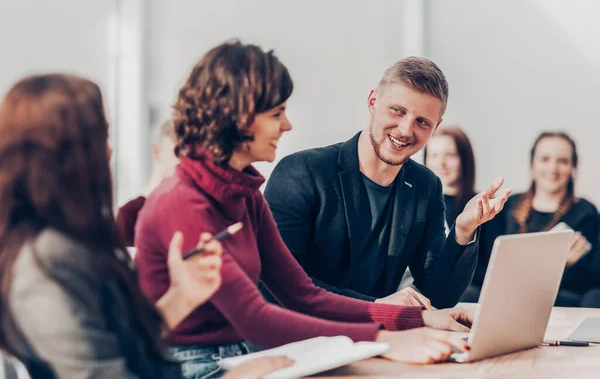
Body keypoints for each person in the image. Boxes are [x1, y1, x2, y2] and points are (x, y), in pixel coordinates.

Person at [135, 41, 473, 379]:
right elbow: (256, 316)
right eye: (276, 114)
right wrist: (386, 339)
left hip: (237, 358)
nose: (287, 126)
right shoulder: (184, 200)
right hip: (189, 368)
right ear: (238, 117)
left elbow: (303, 296)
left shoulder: (245, 196)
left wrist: (416, 318)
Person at [0, 73, 291, 379]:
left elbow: (120, 343)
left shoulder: (69, 243)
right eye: (102, 137)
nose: (110, 152)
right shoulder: (44, 260)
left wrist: (181, 296)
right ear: (66, 153)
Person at [263, 57, 511, 309]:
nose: (405, 130)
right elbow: (278, 285)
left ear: (435, 127)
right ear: (373, 102)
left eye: (422, 122)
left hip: (376, 341)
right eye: (398, 111)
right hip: (301, 342)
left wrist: (463, 231)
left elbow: (439, 294)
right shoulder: (300, 173)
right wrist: (376, 307)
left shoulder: (426, 186)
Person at [493, 132, 600, 307]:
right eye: (544, 159)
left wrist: (571, 264)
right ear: (532, 164)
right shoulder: (508, 205)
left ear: (573, 167)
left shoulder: (585, 212)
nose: (553, 168)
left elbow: (592, 278)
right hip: (511, 296)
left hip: (561, 299)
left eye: (563, 161)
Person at [423, 126, 504, 302]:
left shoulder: (483, 205)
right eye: (434, 155)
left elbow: (494, 268)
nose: (441, 163)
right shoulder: (419, 204)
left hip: (471, 292)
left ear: (465, 160)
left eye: (450, 155)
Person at [116, 119, 179, 247]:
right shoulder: (129, 215)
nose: (182, 162)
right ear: (156, 151)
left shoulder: (185, 210)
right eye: (177, 153)